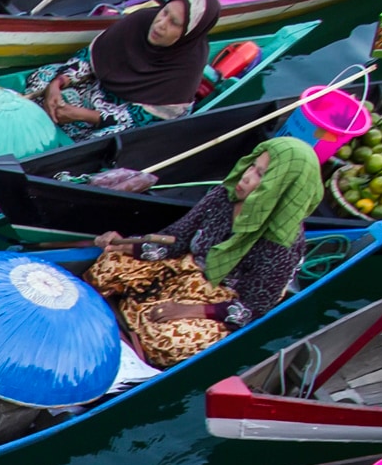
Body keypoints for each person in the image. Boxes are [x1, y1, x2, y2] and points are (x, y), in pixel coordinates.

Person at [95, 136, 322, 338]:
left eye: (261, 175)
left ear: (283, 189)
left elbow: (251, 309)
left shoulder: (282, 244)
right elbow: (177, 238)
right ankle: (142, 311)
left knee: (173, 340)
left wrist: (188, 311)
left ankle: (141, 315)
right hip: (186, 266)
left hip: (219, 300)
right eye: (252, 166)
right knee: (106, 268)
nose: (246, 177)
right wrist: (125, 244)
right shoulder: (226, 194)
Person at [24, 0, 221, 138]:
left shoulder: (187, 67)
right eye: (164, 12)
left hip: (126, 116)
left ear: (188, 32)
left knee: (111, 138)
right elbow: (90, 58)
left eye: (174, 23)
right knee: (44, 77)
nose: (160, 24)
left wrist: (84, 115)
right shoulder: (141, 22)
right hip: (98, 89)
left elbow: (143, 120)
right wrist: (58, 84)